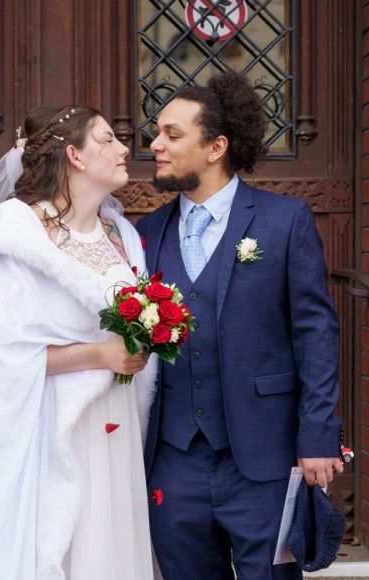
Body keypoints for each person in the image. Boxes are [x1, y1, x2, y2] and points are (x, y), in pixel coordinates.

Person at [135, 71, 344, 579]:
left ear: (216, 147)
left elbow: (315, 333)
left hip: (265, 456)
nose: (155, 145)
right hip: (173, 458)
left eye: (171, 134)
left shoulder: (284, 220)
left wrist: (318, 434)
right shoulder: (145, 233)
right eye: (157, 133)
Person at [0, 106, 157, 580]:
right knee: (59, 543)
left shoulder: (121, 235)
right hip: (51, 426)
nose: (125, 149)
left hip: (115, 420)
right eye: (108, 139)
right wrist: (102, 355)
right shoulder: (17, 235)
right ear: (74, 155)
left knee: (109, 544)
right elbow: (1, 356)